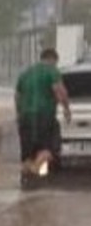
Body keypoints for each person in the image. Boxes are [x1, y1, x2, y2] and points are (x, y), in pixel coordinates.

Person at [15, 48, 72, 177]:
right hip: (45, 116)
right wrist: (66, 109)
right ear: (52, 59)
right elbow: (59, 90)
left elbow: (17, 96)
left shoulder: (25, 73)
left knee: (27, 154)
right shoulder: (52, 72)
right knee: (50, 149)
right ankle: (35, 169)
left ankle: (27, 177)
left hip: (25, 118)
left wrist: (19, 115)